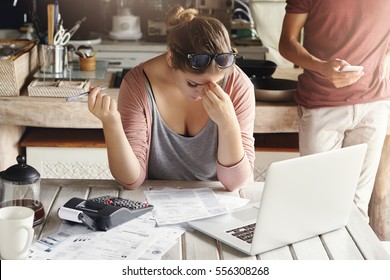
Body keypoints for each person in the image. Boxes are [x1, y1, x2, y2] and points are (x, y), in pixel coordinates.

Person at [88, 6, 256, 191]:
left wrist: (228, 124)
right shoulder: (137, 85)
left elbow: (235, 184)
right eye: (193, 84)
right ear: (171, 59)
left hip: (218, 205)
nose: (204, 94)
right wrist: (112, 124)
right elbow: (131, 180)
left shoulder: (238, 85)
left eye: (215, 83)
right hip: (154, 204)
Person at [279, 0, 390, 221]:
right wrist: (321, 66)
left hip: (374, 104)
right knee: (316, 206)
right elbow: (287, 42)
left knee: (357, 207)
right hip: (322, 104)